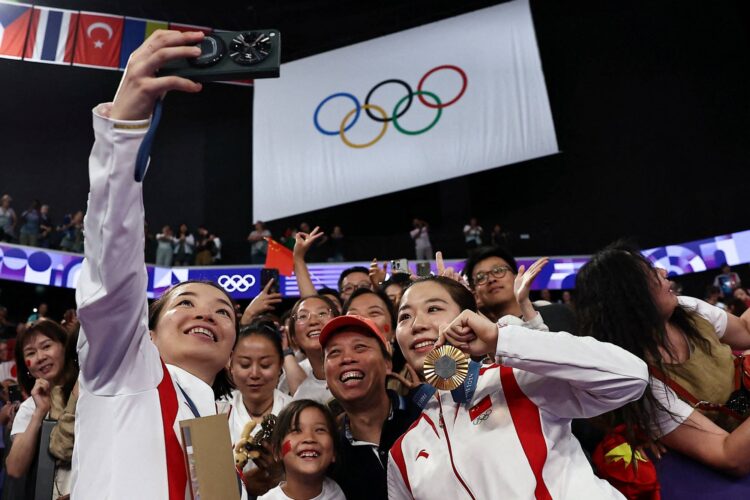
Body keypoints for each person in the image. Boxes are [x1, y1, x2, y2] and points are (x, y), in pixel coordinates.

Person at [72, 29, 245, 499]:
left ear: (232, 354)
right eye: (185, 303)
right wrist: (122, 134)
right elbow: (113, 276)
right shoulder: (125, 366)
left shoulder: (218, 429)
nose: (206, 313)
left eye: (224, 311)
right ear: (146, 334)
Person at [387, 271, 649, 499]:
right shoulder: (403, 453)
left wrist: (500, 340)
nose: (417, 324)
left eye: (433, 308)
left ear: (468, 317)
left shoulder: (515, 376)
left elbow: (632, 378)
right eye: (404, 317)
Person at [575, 243, 750, 477]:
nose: (664, 272)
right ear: (628, 297)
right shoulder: (638, 380)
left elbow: (745, 332)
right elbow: (728, 455)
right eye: (650, 272)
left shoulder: (686, 308)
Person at [320, 315, 418, 500]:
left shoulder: (426, 415)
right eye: (334, 353)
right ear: (325, 376)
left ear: (387, 364)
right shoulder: (329, 456)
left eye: (360, 347)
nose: (347, 358)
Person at [6, 320, 79, 498]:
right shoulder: (29, 407)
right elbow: (15, 468)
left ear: (64, 347)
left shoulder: (86, 391)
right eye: (31, 353)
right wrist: (40, 412)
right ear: (27, 367)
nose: (40, 357)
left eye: (46, 346)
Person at [224, 321, 291, 496]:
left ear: (280, 365)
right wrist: (242, 484)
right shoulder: (216, 410)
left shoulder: (295, 414)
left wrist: (280, 477)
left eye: (265, 365)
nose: (254, 374)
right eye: (245, 365)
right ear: (230, 364)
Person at [464, 246, 576, 332]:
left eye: (498, 271)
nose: (491, 279)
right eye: (480, 277)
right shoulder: (476, 339)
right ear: (474, 291)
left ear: (516, 276)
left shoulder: (556, 314)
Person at [259, 400, 345, 500]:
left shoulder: (338, 492)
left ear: (334, 451)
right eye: (296, 430)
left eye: (320, 430)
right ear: (278, 452)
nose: (309, 438)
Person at [286, 295, 340, 403]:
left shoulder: (362, 370)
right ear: (294, 338)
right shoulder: (302, 398)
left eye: (322, 313)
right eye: (303, 316)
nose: (313, 321)